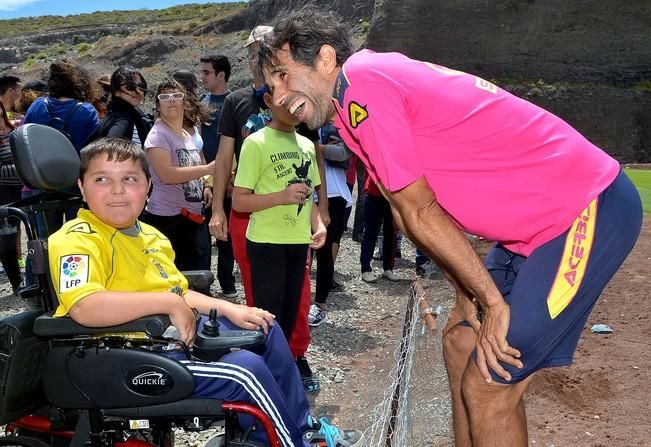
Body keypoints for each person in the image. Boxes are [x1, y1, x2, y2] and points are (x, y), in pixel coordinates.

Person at [259, 10, 643, 446]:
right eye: (271, 87)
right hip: (529, 231)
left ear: (325, 59)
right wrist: (468, 298)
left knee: (491, 380)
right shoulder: (349, 116)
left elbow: (420, 210)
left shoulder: (362, 81)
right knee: (461, 344)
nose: (278, 93)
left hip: (585, 208)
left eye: (283, 75)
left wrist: (493, 304)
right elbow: (407, 216)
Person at [47, 137, 362, 447]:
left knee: (265, 326)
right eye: (102, 179)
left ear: (148, 186)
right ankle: (294, 443)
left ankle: (297, 428)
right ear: (81, 187)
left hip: (167, 339)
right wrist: (168, 302)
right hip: (120, 354)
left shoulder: (149, 236)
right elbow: (85, 307)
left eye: (130, 178)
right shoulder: (77, 238)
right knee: (245, 371)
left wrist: (228, 309)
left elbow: (179, 291)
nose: (117, 190)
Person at [207, 25, 319, 393]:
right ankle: (265, 360)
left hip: (294, 222)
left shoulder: (300, 99)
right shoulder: (236, 102)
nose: (261, 56)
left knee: (296, 290)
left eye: (268, 50)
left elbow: (312, 157)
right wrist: (219, 210)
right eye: (255, 50)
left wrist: (322, 216)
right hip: (249, 215)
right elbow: (224, 158)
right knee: (257, 289)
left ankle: (295, 356)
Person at [232, 86, 325, 347]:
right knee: (268, 319)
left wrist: (318, 225)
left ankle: (281, 370)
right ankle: (267, 373)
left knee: (289, 315)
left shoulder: (306, 145)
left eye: (300, 100)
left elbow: (309, 198)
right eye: (286, 100)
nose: (294, 107)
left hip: (298, 243)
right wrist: (280, 197)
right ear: (268, 100)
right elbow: (239, 201)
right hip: (266, 243)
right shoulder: (255, 143)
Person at [140, 78, 214, 286]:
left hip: (193, 215)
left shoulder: (187, 133)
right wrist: (209, 169)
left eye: (176, 95)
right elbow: (167, 175)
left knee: (198, 275)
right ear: (158, 105)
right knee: (176, 279)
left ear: (185, 101)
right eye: (165, 97)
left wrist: (207, 183)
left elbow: (197, 162)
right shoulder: (157, 136)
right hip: (167, 218)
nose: (171, 100)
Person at [199, 54, 237, 299]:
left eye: (206, 73)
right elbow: (197, 144)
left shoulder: (235, 102)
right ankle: (202, 286)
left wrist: (234, 177)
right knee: (202, 238)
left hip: (232, 181)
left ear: (221, 74)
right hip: (207, 182)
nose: (202, 77)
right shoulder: (201, 103)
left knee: (227, 237)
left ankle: (227, 283)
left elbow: (240, 143)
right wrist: (206, 181)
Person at [309, 122, 351, 327]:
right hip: (304, 191)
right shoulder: (297, 120)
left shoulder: (338, 123)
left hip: (334, 192)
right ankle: (301, 301)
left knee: (326, 249)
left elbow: (343, 152)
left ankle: (319, 304)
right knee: (302, 250)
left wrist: (316, 147)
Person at [88, 66, 151, 148]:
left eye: (141, 85)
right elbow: (109, 148)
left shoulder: (115, 115)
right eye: (130, 87)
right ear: (116, 91)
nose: (138, 91)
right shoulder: (123, 119)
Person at [0, 99, 23, 295]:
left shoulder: (15, 131)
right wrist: (21, 168)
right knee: (6, 239)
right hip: (3, 194)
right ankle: (16, 282)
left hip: (24, 190)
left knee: (21, 235)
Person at [359, 176, 399, 283]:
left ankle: (388, 268)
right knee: (370, 233)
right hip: (374, 192)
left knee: (391, 233)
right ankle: (366, 269)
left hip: (392, 195)